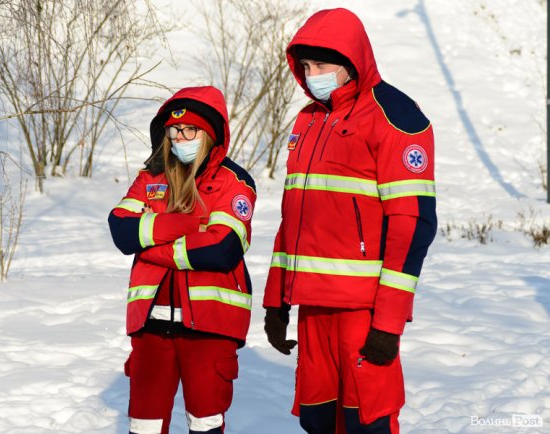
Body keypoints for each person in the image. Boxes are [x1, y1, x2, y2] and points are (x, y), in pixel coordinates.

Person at [262, 8, 437, 434]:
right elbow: (294, 221)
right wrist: (276, 301)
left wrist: (389, 322)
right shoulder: (309, 119)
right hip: (313, 307)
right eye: (305, 66)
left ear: (351, 60)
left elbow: (412, 224)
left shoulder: (395, 114)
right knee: (318, 419)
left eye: (321, 64)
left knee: (368, 421)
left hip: (364, 309)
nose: (312, 73)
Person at [108, 86, 256, 434]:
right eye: (173, 131)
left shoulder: (233, 182)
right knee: (143, 427)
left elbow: (222, 250)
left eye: (189, 131)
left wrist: (152, 240)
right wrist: (185, 225)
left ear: (208, 135)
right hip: (150, 327)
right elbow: (120, 230)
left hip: (209, 326)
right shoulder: (151, 177)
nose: (179, 138)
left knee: (204, 425)